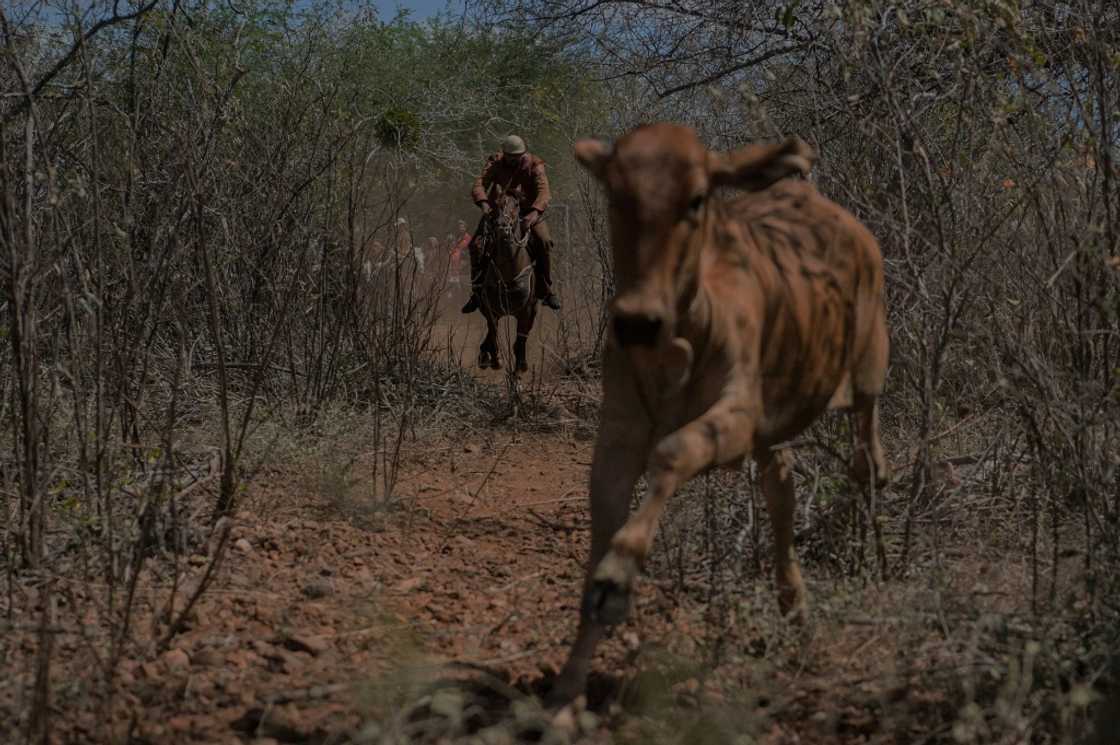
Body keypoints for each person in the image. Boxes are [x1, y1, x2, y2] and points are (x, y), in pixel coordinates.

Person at [461, 134, 561, 313]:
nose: (514, 160)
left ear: (524, 153)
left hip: (527, 214)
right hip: (497, 213)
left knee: (544, 241)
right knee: (476, 246)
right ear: (504, 154)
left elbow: (544, 191)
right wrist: (484, 203)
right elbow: (479, 184)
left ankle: (546, 291)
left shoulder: (535, 165)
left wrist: (535, 212)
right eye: (510, 157)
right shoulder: (495, 162)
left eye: (517, 156)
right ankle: (477, 292)